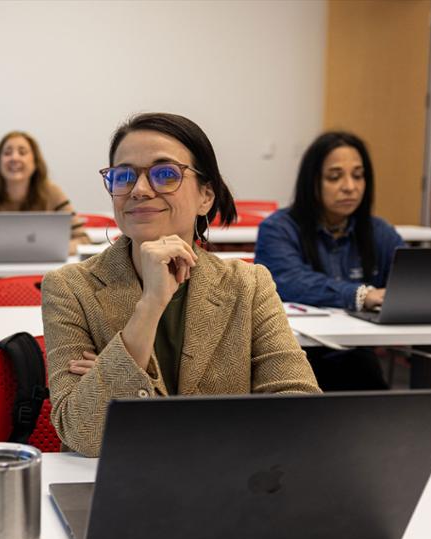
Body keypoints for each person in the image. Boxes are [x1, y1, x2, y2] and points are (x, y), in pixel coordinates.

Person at [41, 113, 320, 457]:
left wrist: (113, 375)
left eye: (165, 174)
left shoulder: (249, 286)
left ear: (206, 196)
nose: (140, 190)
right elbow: (83, 433)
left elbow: (299, 413)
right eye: (124, 176)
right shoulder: (69, 288)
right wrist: (149, 306)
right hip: (114, 480)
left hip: (222, 479)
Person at [254, 131, 404, 391]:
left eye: (358, 176)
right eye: (335, 177)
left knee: (368, 382)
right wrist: (361, 295)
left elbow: (408, 284)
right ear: (311, 181)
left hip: (357, 355)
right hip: (295, 354)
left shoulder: (379, 231)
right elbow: (289, 281)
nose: (350, 187)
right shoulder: (279, 228)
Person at [0, 131, 90, 257]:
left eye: (22, 152)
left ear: (35, 162)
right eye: (7, 153)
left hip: (40, 278)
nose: (14, 158)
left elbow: (83, 240)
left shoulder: (53, 193)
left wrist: (51, 249)